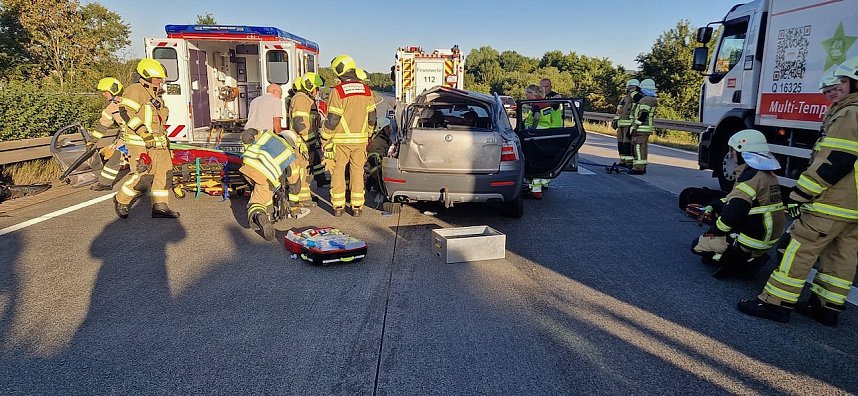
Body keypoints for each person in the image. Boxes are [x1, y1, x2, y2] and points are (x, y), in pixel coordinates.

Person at [738, 57, 858, 326]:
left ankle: (776, 303)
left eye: (843, 82)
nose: (834, 90)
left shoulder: (850, 113)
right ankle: (827, 306)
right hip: (854, 207)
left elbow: (834, 161)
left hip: (833, 203)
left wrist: (800, 194)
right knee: (842, 254)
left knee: (799, 248)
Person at [691, 129, 785, 279]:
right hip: (765, 238)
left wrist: (713, 228)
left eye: (734, 151)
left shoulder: (748, 179)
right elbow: (737, 200)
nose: (732, 155)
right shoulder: (766, 174)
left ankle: (738, 261)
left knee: (697, 245)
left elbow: (730, 217)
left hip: (752, 241)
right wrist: (715, 205)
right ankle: (748, 256)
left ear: (743, 153)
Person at [114, 58, 178, 219]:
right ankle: (121, 200)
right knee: (144, 177)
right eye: (158, 79)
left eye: (161, 79)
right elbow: (126, 112)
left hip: (159, 145)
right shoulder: (135, 90)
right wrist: (144, 133)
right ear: (146, 76)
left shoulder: (156, 96)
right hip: (141, 144)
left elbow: (159, 121)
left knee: (164, 174)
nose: (161, 81)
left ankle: (160, 206)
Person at [321, 55, 377, 217]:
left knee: (338, 171)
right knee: (358, 171)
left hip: (340, 141)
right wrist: (369, 134)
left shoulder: (338, 92)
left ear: (339, 71)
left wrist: (325, 136)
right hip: (360, 141)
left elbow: (332, 120)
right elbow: (372, 117)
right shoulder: (367, 91)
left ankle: (338, 207)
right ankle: (357, 207)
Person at [239, 129, 301, 241]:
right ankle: (259, 215)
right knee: (259, 199)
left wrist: (248, 148)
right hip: (265, 175)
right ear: (292, 144)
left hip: (247, 166)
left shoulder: (268, 136)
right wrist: (294, 205)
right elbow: (295, 184)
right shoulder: (290, 154)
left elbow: (247, 135)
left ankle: (268, 216)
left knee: (263, 189)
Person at [288, 72, 324, 210]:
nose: (317, 91)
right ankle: (297, 200)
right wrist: (311, 141)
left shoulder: (303, 98)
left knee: (305, 171)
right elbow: (300, 124)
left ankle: (303, 197)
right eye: (316, 88)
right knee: (300, 171)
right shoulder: (301, 99)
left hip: (303, 142)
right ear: (310, 86)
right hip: (300, 143)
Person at [89, 77, 128, 191]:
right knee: (115, 158)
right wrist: (93, 140)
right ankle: (105, 183)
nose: (103, 95)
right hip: (126, 138)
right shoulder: (111, 108)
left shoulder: (129, 102)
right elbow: (103, 125)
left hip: (139, 137)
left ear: (113, 91)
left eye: (105, 92)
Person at [522, 84, 552, 198]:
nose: (526, 95)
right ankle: (543, 183)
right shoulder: (544, 102)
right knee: (541, 160)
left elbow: (536, 117)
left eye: (527, 93)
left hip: (536, 135)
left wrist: (532, 128)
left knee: (533, 161)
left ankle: (535, 190)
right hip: (545, 133)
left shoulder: (536, 104)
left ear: (533, 94)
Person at [628, 78, 658, 175]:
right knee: (643, 147)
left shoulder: (646, 100)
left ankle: (638, 168)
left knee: (638, 147)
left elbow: (643, 115)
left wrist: (634, 127)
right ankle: (642, 166)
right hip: (646, 128)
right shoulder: (652, 99)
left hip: (641, 128)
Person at [613, 79, 642, 168]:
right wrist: (615, 120)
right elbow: (619, 110)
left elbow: (638, 106)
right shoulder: (624, 98)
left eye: (630, 87)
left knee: (627, 144)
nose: (628, 89)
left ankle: (629, 163)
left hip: (629, 125)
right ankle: (622, 161)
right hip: (621, 125)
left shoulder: (637, 97)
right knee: (620, 144)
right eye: (628, 87)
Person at [366, 116, 393, 191]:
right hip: (377, 174)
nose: (390, 130)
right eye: (388, 128)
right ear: (381, 129)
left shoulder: (385, 140)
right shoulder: (377, 143)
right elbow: (374, 161)